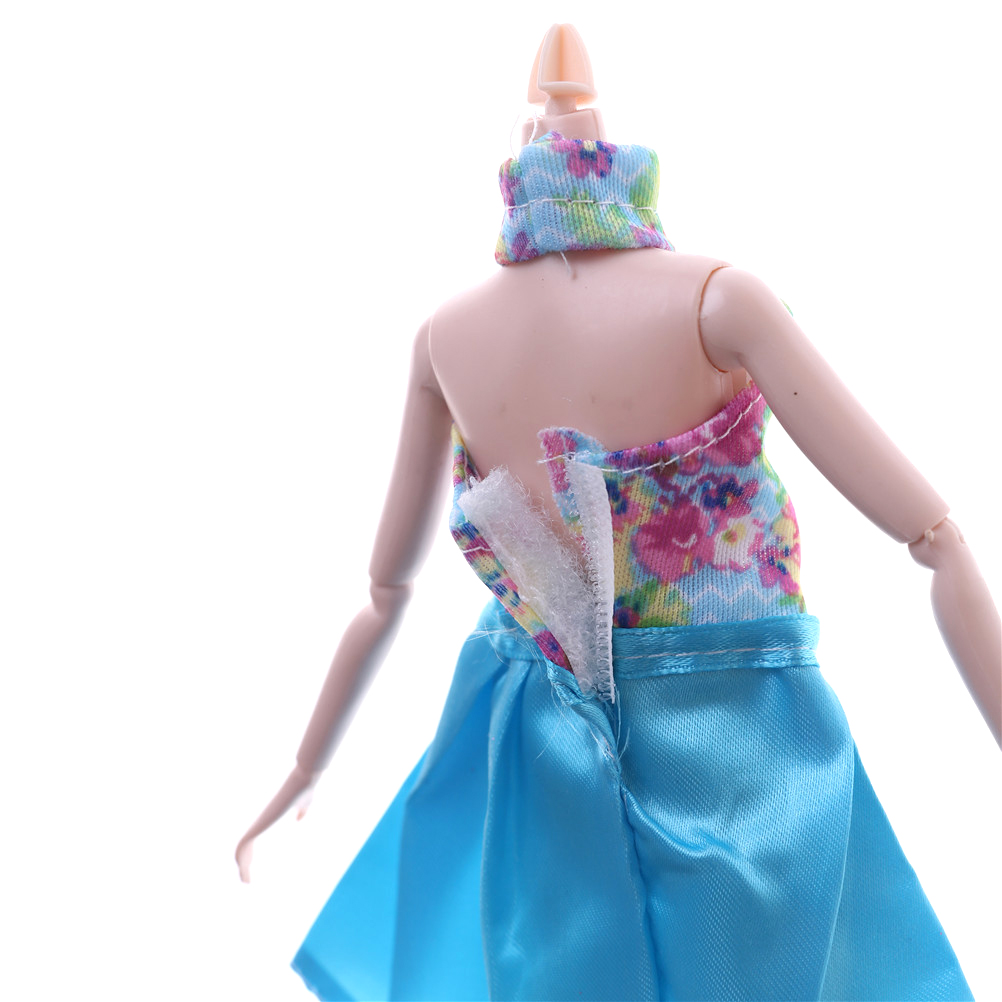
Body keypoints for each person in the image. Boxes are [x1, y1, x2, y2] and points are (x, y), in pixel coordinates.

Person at [237, 23, 1000, 1002]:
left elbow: (386, 592)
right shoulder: (718, 301)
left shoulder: (449, 337)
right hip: (731, 732)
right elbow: (932, 537)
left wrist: (306, 768)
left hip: (539, 737)